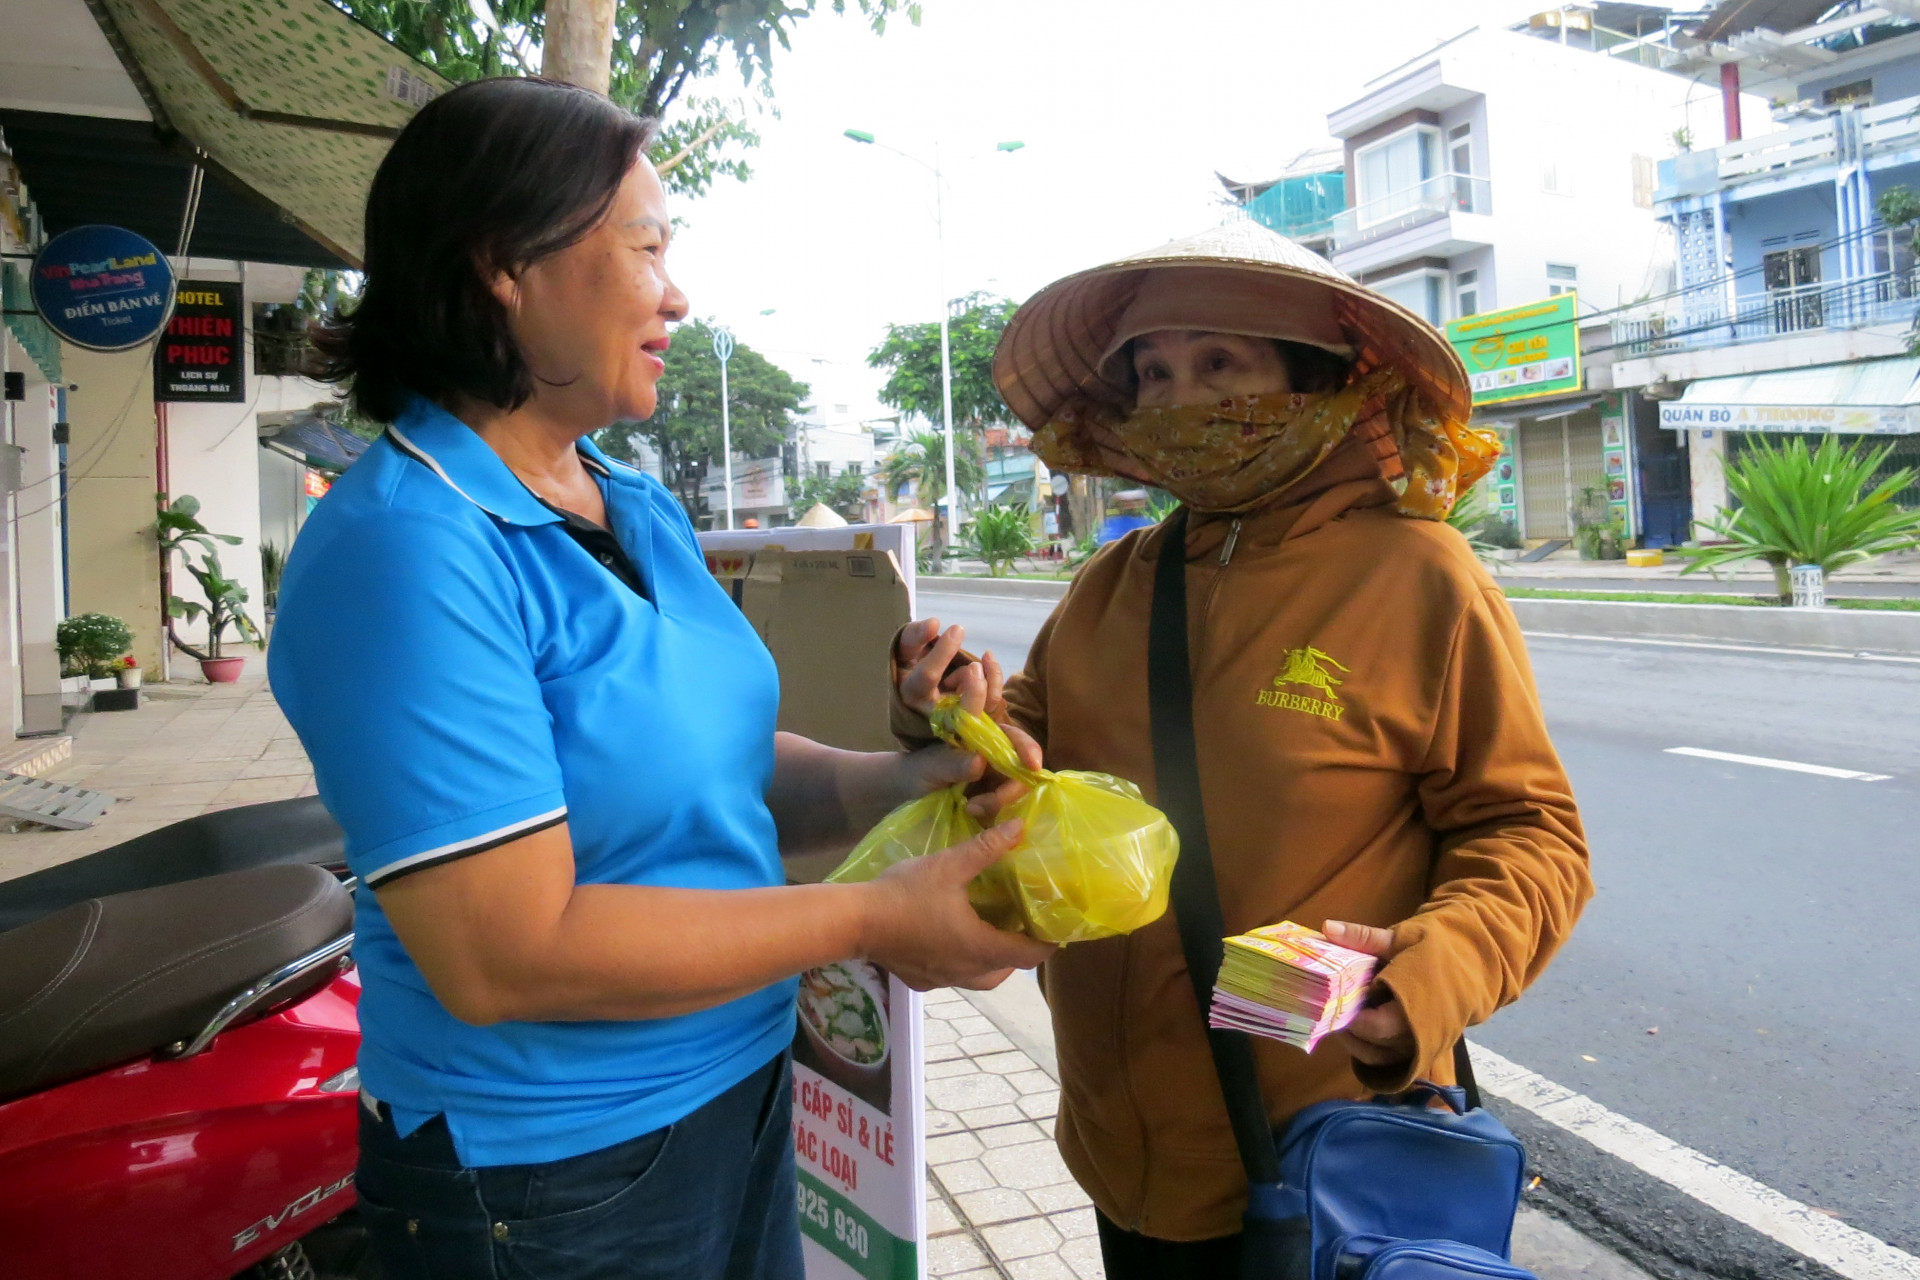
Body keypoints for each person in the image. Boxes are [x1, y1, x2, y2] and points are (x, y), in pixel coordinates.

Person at [268, 77, 1051, 1280]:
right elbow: (506, 953)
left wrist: (915, 772)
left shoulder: (627, 500)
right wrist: (874, 915)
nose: (677, 294)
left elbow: (726, 773)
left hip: (733, 1095)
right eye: (645, 247)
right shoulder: (408, 547)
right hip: (549, 1177)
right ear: (503, 266)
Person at [898, 220, 1593, 1277]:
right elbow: (1027, 758)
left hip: (1321, 1165)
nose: (1180, 401)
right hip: (1116, 1146)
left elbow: (1534, 835)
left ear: (1313, 380)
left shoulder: (1422, 578)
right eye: (1156, 371)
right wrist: (956, 711)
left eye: (1220, 363)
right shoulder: (1113, 582)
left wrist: (1428, 976)